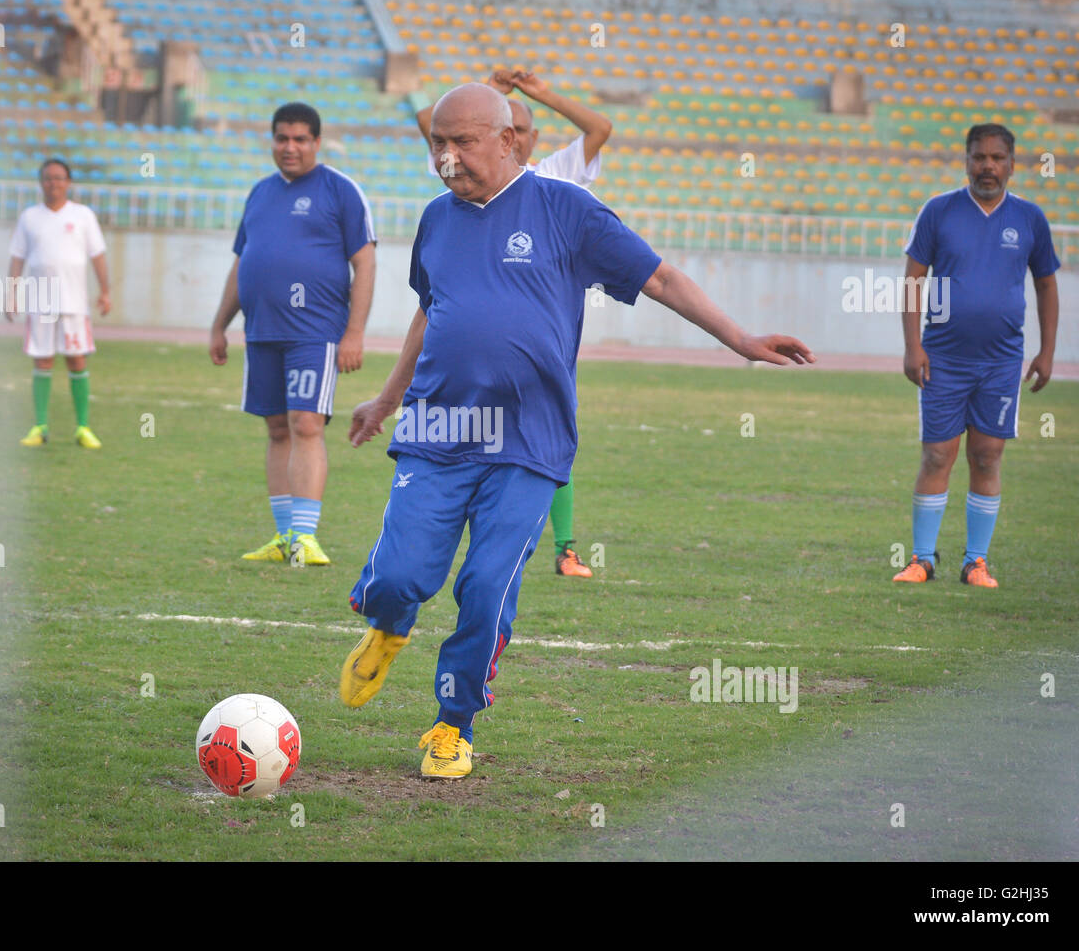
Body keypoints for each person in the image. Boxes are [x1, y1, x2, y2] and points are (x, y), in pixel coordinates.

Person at [341, 84, 813, 779]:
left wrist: (739, 338)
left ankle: (453, 723)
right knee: (399, 577)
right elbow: (429, 312)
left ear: (509, 141)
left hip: (529, 438)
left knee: (487, 585)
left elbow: (660, 279)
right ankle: (390, 623)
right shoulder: (437, 220)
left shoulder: (567, 210)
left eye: (461, 142)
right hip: (439, 427)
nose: (445, 156)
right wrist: (386, 397)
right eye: (436, 142)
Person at [417, 68, 613, 578]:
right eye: (512, 129)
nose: (519, 141)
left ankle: (564, 546)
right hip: (476, 360)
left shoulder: (557, 178)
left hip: (542, 336)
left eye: (525, 132)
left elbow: (599, 128)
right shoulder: (458, 185)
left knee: (545, 436)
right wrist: (487, 89)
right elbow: (432, 125)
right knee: (486, 446)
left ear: (522, 139)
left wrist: (540, 93)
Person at [892, 123, 1059, 588]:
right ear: (966, 160)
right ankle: (922, 560)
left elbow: (1046, 284)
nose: (988, 166)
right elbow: (912, 280)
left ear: (1011, 163)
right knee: (936, 456)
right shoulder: (939, 212)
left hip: (1001, 362)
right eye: (979, 157)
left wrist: (1047, 351)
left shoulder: (1029, 219)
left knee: (987, 456)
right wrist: (912, 345)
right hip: (942, 358)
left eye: (997, 157)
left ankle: (976, 563)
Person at [210, 102, 376, 566]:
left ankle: (306, 538)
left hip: (315, 332)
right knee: (276, 426)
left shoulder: (340, 191)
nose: (290, 147)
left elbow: (364, 262)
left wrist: (354, 333)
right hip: (262, 330)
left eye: (301, 139)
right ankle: (285, 537)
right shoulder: (260, 194)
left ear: (317, 143)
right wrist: (219, 325)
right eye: (282, 138)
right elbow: (243, 263)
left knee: (306, 423)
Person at [6, 158, 110, 448]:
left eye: (59, 178)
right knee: (43, 360)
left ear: (68, 182)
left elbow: (97, 255)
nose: (54, 183)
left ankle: (83, 428)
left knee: (77, 360)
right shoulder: (29, 217)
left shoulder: (83, 215)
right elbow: (18, 257)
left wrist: (105, 290)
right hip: (40, 303)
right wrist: (11, 292)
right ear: (41, 182)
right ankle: (39, 426)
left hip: (74, 303)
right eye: (49, 178)